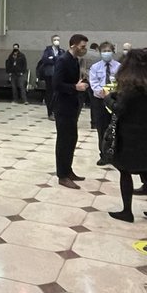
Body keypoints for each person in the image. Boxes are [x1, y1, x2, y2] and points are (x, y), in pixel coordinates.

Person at [106, 49, 147, 221]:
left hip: (129, 133)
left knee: (125, 171)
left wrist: (108, 98)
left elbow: (119, 108)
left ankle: (127, 211)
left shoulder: (130, 84)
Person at [54, 34, 90, 188]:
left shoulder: (74, 60)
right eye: (82, 46)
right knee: (64, 140)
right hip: (63, 106)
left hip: (72, 104)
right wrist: (75, 87)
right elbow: (56, 84)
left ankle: (68, 170)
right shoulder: (63, 60)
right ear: (73, 45)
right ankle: (62, 175)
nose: (84, 49)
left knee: (71, 139)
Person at [89, 42, 119, 165]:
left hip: (114, 100)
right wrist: (101, 92)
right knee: (102, 128)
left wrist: (111, 92)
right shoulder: (95, 67)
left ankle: (115, 154)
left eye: (108, 50)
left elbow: (121, 82)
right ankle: (103, 154)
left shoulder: (119, 67)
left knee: (115, 128)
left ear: (113, 51)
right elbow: (93, 82)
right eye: (104, 51)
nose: (106, 53)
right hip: (99, 100)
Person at [36, 35, 64, 119]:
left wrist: (53, 58)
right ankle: (50, 112)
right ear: (52, 41)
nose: (56, 41)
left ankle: (56, 111)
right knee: (50, 93)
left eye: (58, 39)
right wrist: (54, 59)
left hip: (58, 75)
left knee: (57, 94)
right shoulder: (47, 50)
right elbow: (45, 60)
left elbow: (62, 60)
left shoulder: (61, 51)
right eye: (55, 39)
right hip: (49, 75)